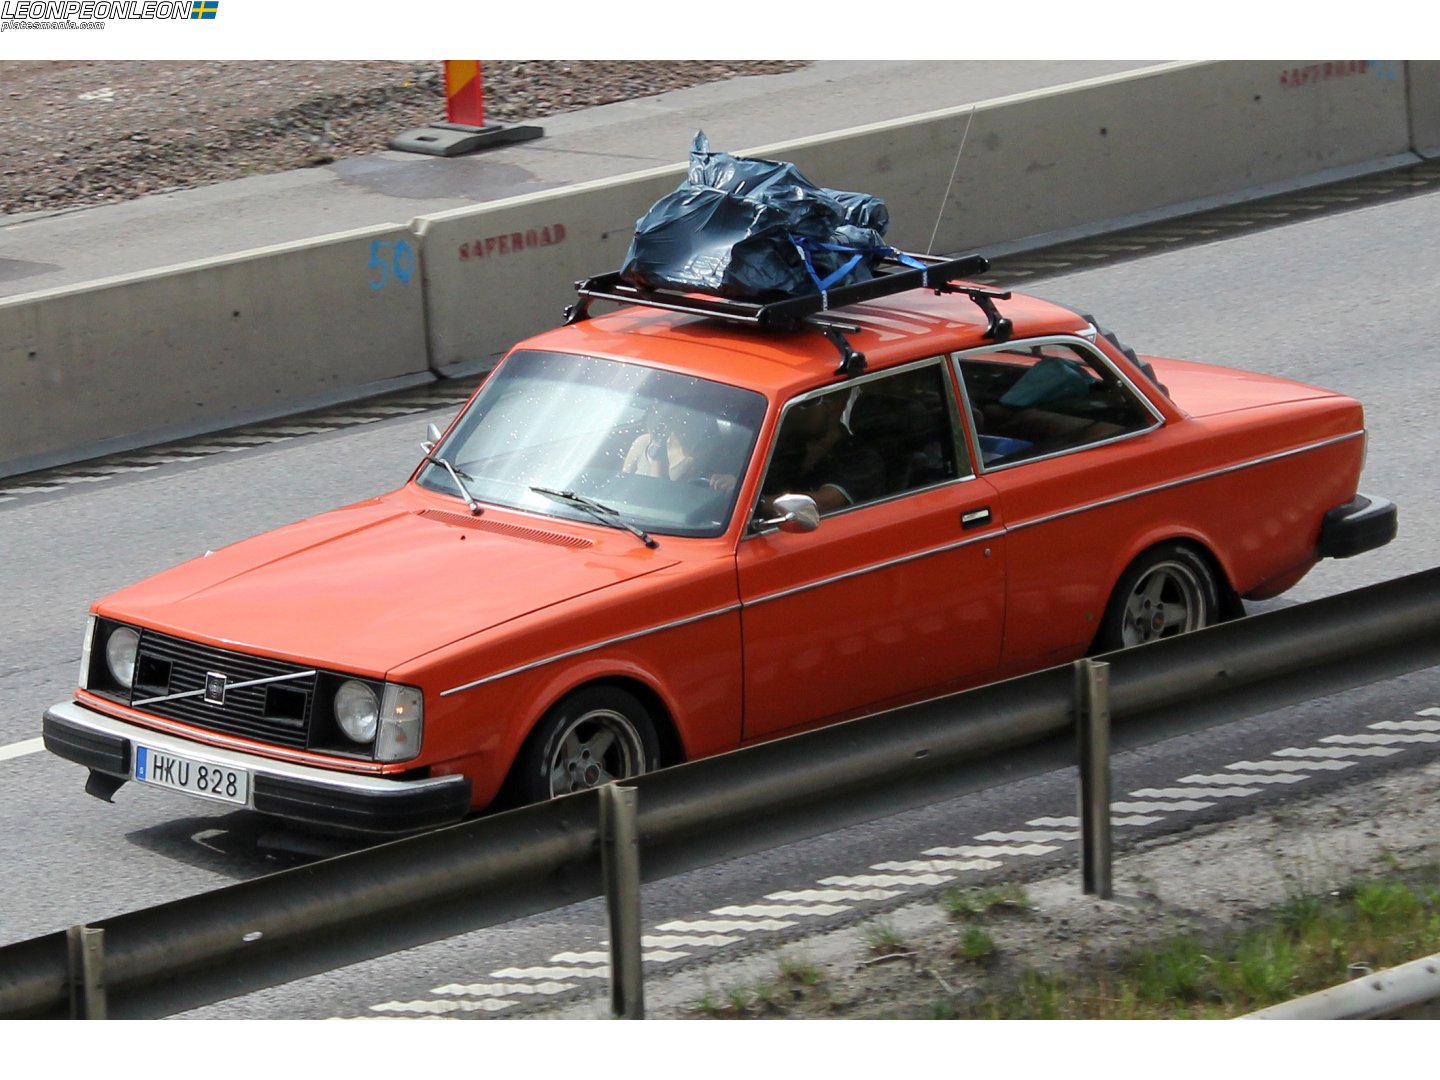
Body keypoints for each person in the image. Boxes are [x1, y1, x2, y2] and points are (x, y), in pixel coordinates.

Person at [762, 389, 884, 514]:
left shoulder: (861, 459)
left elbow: (823, 503)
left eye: (805, 404)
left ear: (834, 405)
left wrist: (761, 504)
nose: (795, 411)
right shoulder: (781, 446)